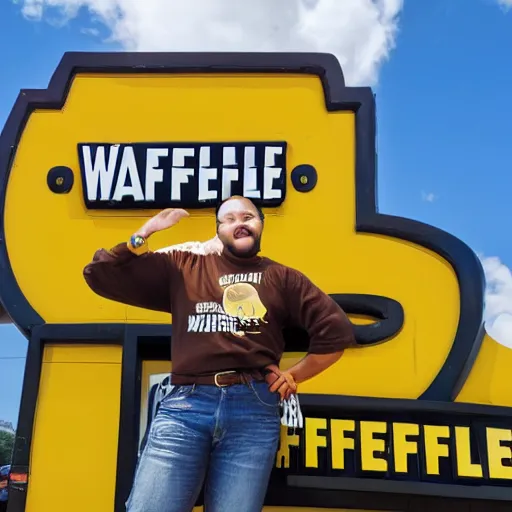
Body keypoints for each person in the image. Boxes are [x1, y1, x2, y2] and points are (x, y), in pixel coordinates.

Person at [83, 195, 355, 512]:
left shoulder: (282, 277)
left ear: (261, 225)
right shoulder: (184, 266)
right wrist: (147, 231)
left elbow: (335, 332)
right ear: (218, 229)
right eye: (229, 219)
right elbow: (101, 273)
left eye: (247, 217)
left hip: (252, 409)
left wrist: (294, 375)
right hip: (184, 406)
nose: (239, 223)